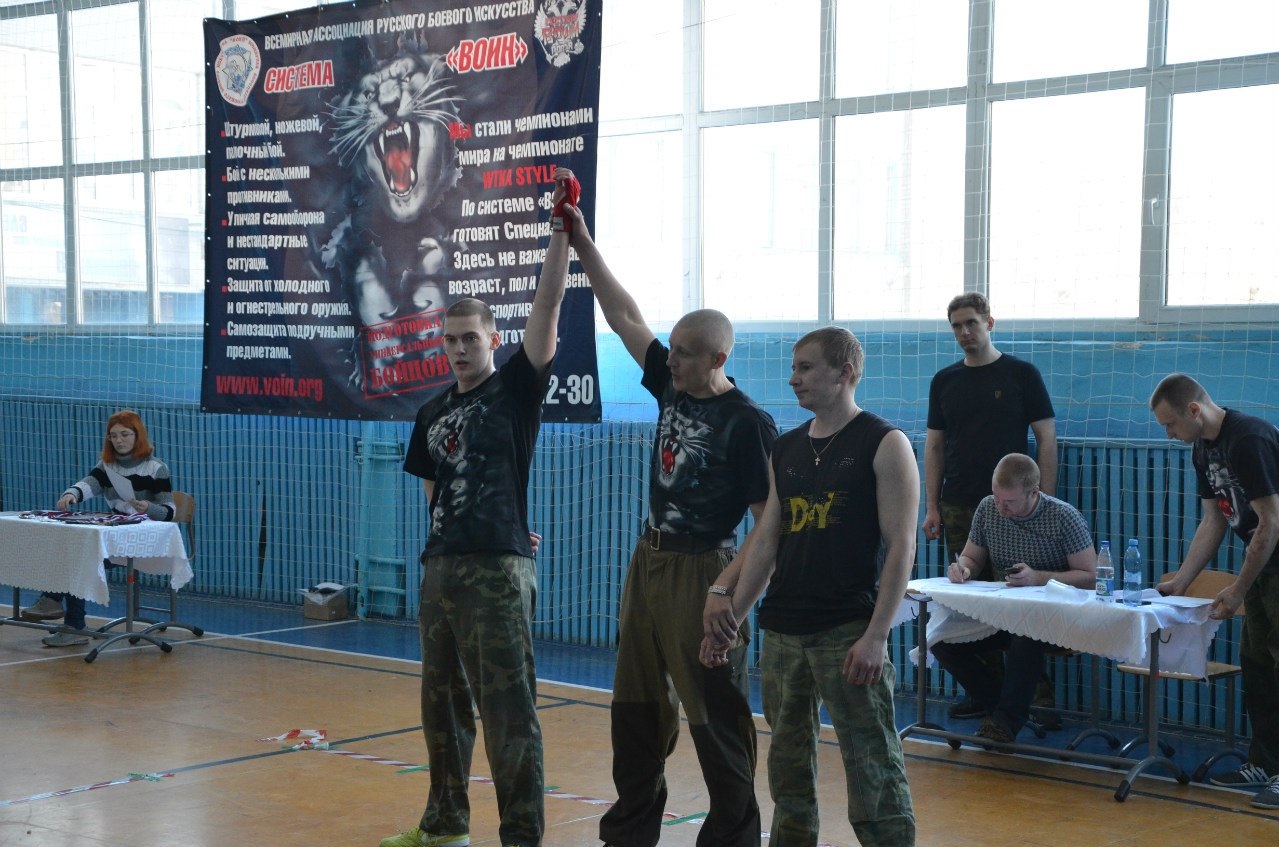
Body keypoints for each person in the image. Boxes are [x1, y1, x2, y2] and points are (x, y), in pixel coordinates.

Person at [558, 202, 776, 847]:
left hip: (704, 567)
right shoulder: (672, 386)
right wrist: (583, 244)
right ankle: (630, 831)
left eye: (684, 354)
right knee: (636, 706)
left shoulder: (747, 423)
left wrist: (731, 598)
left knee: (715, 711)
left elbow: (769, 526)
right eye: (671, 350)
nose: (670, 361)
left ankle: (733, 835)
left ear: (718, 357)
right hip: (648, 562)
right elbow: (624, 316)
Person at [383, 169, 576, 847]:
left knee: (508, 709)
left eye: (471, 337)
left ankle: (521, 835)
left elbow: (548, 306)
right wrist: (455, 538)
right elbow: (434, 492)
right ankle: (444, 824)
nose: (460, 348)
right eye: (451, 339)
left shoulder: (516, 389)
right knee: (440, 705)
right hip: (442, 569)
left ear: (493, 340)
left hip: (497, 571)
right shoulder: (430, 411)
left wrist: (560, 234)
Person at [702, 326, 917, 847]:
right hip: (783, 633)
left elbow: (902, 547)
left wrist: (876, 636)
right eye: (793, 368)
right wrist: (733, 617)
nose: (793, 378)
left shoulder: (885, 443)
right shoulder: (787, 447)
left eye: (805, 367)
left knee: (872, 764)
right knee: (788, 769)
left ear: (845, 373)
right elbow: (767, 541)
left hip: (847, 631)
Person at [921, 292, 1057, 721]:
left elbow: (1047, 439)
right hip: (960, 503)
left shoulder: (1021, 374)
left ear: (989, 323)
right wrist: (932, 506)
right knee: (968, 603)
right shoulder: (944, 381)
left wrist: (1045, 501)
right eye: (956, 326)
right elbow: (934, 446)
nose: (964, 332)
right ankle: (988, 694)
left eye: (971, 323)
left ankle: (1036, 701)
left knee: (1022, 604)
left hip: (1015, 508)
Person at [1149, 373, 1279, 811]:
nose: (1169, 435)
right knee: (1258, 664)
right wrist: (1181, 581)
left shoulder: (1249, 439)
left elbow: (1271, 522)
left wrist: (1238, 588)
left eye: (1170, 424)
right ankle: (1266, 763)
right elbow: (1214, 520)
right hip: (1263, 566)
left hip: (1272, 559)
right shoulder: (1202, 448)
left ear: (1194, 410)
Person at [932, 453, 1095, 744]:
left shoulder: (1063, 517)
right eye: (997, 498)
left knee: (1025, 633)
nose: (1001, 507)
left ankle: (1004, 723)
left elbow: (1091, 576)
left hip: (1057, 619)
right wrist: (963, 568)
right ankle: (1003, 709)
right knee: (940, 639)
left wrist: (1038, 577)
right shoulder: (987, 509)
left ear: (1034, 493)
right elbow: (972, 557)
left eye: (1009, 502)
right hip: (1006, 616)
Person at [20, 409, 175, 647]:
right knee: (74, 553)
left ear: (138, 435)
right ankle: (67, 619)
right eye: (113, 436)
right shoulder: (107, 466)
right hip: (116, 532)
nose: (119, 440)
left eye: (125, 434)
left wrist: (149, 508)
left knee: (80, 557)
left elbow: (169, 511)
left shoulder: (156, 468)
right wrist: (72, 493)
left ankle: (61, 611)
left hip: (145, 538)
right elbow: (89, 484)